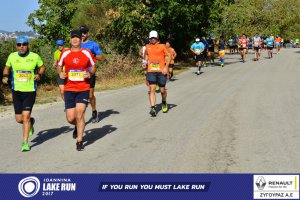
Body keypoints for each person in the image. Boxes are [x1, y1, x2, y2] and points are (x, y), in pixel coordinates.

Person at [2, 36, 45, 151]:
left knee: (25, 116)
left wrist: (39, 74)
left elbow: (42, 67)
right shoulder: (12, 56)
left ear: (28, 45)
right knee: (19, 119)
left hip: (30, 91)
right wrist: (5, 76)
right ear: (16, 46)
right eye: (19, 45)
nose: (22, 47)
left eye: (24, 44)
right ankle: (31, 122)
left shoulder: (34, 56)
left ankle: (25, 143)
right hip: (16, 91)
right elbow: (7, 67)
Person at [57, 30, 96, 151]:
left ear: (81, 40)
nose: (75, 40)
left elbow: (93, 66)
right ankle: (77, 126)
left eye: (77, 38)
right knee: (70, 118)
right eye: (73, 38)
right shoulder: (65, 53)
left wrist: (89, 73)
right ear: (70, 40)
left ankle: (79, 141)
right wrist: (60, 73)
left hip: (83, 88)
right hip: (69, 88)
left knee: (80, 114)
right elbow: (59, 65)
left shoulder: (87, 52)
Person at [142, 30, 170, 117]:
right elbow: (146, 56)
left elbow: (169, 56)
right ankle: (153, 108)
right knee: (152, 89)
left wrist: (166, 67)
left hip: (161, 71)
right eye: (151, 38)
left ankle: (164, 102)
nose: (152, 39)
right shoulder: (147, 46)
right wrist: (144, 62)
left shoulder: (162, 46)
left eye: (154, 38)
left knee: (162, 90)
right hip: (151, 71)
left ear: (157, 38)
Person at [80, 25, 104, 123]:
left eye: (84, 32)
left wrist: (92, 54)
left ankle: (94, 112)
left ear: (87, 33)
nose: (82, 34)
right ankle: (79, 118)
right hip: (78, 74)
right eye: (81, 32)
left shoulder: (93, 45)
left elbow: (101, 57)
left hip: (90, 72)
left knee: (90, 96)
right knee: (79, 97)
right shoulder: (75, 44)